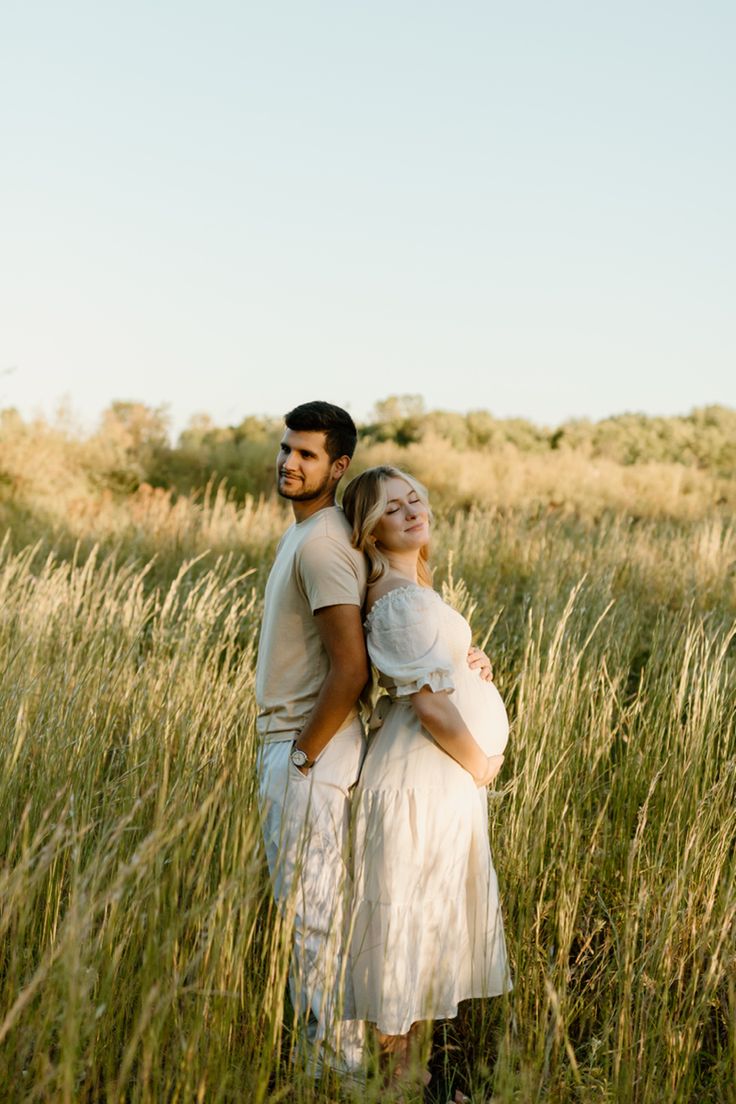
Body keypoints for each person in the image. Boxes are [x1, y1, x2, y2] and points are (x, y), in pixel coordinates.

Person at [341, 465, 511, 1097]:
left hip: (435, 781)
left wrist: (475, 668)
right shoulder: (397, 595)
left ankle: (421, 1081)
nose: (413, 511)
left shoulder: (414, 589)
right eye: (394, 507)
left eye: (416, 499)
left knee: (427, 928)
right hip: (423, 779)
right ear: (371, 529)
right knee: (406, 934)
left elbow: (437, 683)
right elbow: (433, 709)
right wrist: (481, 763)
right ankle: (403, 1084)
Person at [255, 401, 369, 1076]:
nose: (290, 463)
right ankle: (320, 1061)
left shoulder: (324, 541)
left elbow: (350, 667)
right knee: (307, 917)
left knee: (316, 920)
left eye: (307, 454)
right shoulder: (305, 534)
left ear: (339, 466)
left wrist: (301, 756)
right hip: (300, 750)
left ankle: (341, 1073)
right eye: (286, 449)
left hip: (309, 753)